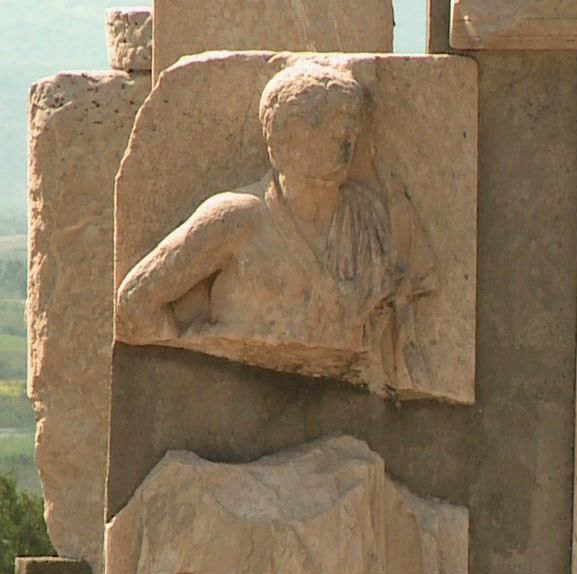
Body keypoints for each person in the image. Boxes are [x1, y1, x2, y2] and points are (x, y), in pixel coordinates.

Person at [116, 59, 434, 394]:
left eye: (351, 135)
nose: (347, 147)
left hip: (342, 404)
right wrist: (189, 375)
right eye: (336, 134)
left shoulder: (369, 219)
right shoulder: (238, 218)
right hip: (233, 402)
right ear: (287, 138)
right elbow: (136, 302)